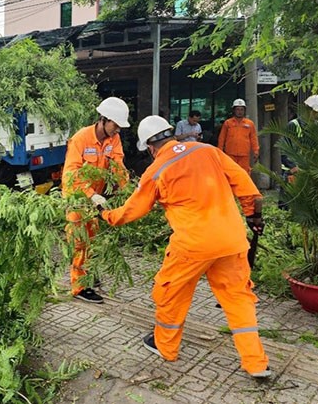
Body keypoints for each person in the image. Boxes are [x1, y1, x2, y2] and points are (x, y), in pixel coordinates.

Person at [100, 115, 271, 379]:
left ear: (151, 147)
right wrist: (253, 216)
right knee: (239, 300)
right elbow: (246, 186)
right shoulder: (209, 151)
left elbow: (132, 210)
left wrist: (106, 215)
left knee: (171, 293)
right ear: (172, 134)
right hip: (232, 240)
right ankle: (256, 363)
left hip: (193, 245)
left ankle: (165, 346)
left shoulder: (156, 170)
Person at [62, 97, 130, 304]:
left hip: (97, 198)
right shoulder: (81, 139)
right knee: (80, 241)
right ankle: (79, 287)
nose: (117, 130)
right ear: (104, 119)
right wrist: (91, 194)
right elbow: (71, 174)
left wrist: (126, 190)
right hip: (78, 198)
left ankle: (88, 272)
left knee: (93, 238)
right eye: (115, 125)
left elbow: (118, 164)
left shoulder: (113, 139)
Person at [278, 94, 318, 210]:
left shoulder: (317, 127)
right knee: (288, 203)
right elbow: (285, 147)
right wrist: (293, 166)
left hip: (309, 171)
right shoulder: (294, 125)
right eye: (314, 112)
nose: (316, 116)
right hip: (292, 171)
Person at [218, 99, 259, 174]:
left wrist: (256, 151)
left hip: (244, 154)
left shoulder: (250, 124)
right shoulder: (228, 123)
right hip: (230, 153)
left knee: (244, 173)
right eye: (237, 109)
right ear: (234, 110)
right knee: (230, 172)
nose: (240, 112)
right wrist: (220, 151)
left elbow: (253, 138)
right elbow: (222, 138)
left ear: (244, 110)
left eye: (241, 109)